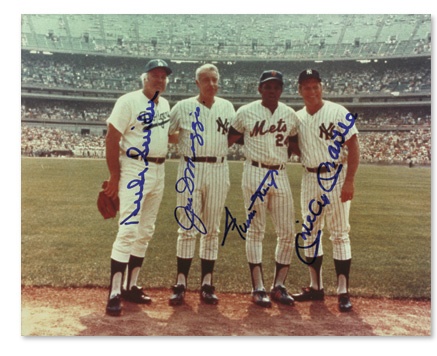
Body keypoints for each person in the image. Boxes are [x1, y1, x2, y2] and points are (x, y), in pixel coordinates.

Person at [103, 59, 175, 316]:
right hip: (134, 167)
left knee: (146, 230)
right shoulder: (128, 101)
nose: (160, 80)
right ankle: (114, 291)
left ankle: (130, 286)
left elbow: (165, 135)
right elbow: (112, 138)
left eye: (164, 76)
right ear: (144, 78)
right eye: (155, 75)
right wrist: (114, 176)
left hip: (159, 169)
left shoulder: (165, 104)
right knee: (128, 229)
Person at [228, 70, 298, 308]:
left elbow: (296, 144)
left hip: (280, 172)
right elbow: (231, 138)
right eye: (267, 86)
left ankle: (279, 286)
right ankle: (258, 287)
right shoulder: (245, 112)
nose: (272, 90)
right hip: (255, 171)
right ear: (260, 89)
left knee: (288, 232)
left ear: (281, 90)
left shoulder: (290, 114)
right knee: (256, 230)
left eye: (276, 87)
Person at [292, 69, 360, 312]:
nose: (311, 91)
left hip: (336, 174)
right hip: (310, 176)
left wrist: (349, 180)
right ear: (299, 90)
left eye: (315, 86)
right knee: (310, 233)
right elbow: (293, 144)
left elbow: (353, 145)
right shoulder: (296, 117)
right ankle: (316, 287)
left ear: (322, 87)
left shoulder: (338, 111)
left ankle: (343, 291)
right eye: (306, 87)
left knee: (340, 233)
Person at [168, 64, 236, 305]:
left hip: (218, 168)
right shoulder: (183, 106)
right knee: (187, 227)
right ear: (197, 83)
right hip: (189, 167)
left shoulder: (227, 106)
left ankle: (207, 283)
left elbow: (235, 133)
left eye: (215, 80)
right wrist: (183, 139)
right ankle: (180, 283)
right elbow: (166, 133)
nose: (211, 84)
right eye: (206, 80)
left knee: (212, 228)